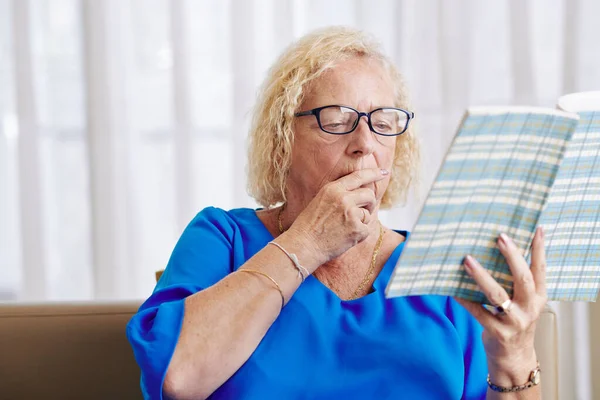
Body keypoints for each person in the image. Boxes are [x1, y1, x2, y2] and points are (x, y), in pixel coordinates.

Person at [127, 26, 547, 400]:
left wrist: (514, 357)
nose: (364, 141)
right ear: (282, 141)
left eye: (383, 122)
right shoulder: (223, 238)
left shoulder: (443, 267)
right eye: (337, 119)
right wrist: (308, 242)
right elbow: (178, 378)